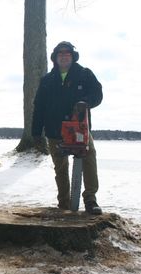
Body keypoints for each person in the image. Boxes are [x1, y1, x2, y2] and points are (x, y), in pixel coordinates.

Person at [31, 41, 103, 215]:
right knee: (60, 167)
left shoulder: (84, 74)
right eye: (60, 54)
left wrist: (86, 102)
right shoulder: (47, 80)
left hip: (80, 129)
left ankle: (90, 199)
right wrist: (36, 133)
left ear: (72, 56)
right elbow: (39, 106)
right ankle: (64, 202)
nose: (64, 57)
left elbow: (98, 94)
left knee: (89, 157)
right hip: (54, 130)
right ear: (55, 58)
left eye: (67, 54)